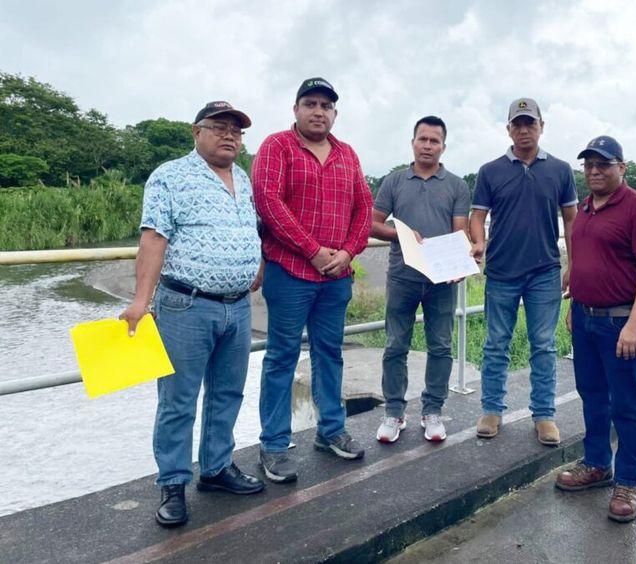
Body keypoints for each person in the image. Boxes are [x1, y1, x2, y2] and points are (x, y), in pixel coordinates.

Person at [120, 101, 265, 528]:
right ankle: (173, 483)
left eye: (236, 132)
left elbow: (249, 228)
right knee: (178, 401)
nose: (230, 137)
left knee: (227, 393)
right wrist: (140, 301)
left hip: (237, 307)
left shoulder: (242, 177)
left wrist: (254, 262)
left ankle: (217, 469)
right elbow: (153, 238)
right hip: (185, 304)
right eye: (219, 128)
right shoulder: (169, 176)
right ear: (196, 132)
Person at [252, 77, 373, 482]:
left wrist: (347, 252)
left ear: (335, 113)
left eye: (326, 105)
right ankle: (273, 444)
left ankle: (331, 430)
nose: (318, 111)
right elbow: (269, 203)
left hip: (336, 276)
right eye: (311, 103)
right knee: (281, 357)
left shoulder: (348, 154)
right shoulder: (276, 147)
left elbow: (363, 207)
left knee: (330, 354)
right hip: (290, 272)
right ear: (296, 109)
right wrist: (314, 250)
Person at [553, 136, 636, 523]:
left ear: (622, 167)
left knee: (627, 404)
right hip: (585, 318)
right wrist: (576, 303)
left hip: (621, 321)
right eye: (589, 165)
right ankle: (598, 464)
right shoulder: (585, 207)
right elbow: (586, 257)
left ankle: (629, 481)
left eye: (604, 164)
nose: (595, 171)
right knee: (592, 395)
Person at [470, 98, 578, 446]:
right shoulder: (490, 171)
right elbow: (477, 216)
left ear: (542, 126)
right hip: (501, 270)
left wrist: (573, 264)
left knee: (544, 346)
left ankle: (544, 415)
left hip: (545, 271)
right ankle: (491, 409)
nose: (524, 129)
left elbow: (571, 219)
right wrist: (477, 242)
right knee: (495, 344)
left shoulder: (560, 170)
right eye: (518, 124)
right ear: (508, 130)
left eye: (530, 123)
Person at [370, 116, 471, 443]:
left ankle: (433, 411)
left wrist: (460, 261)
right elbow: (373, 224)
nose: (428, 146)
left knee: (440, 346)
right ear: (413, 142)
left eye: (434, 141)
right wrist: (400, 233)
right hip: (402, 275)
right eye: (422, 139)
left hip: (442, 279)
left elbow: (460, 230)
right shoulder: (394, 181)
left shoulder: (456, 185)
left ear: (443, 146)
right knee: (395, 345)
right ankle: (394, 413)